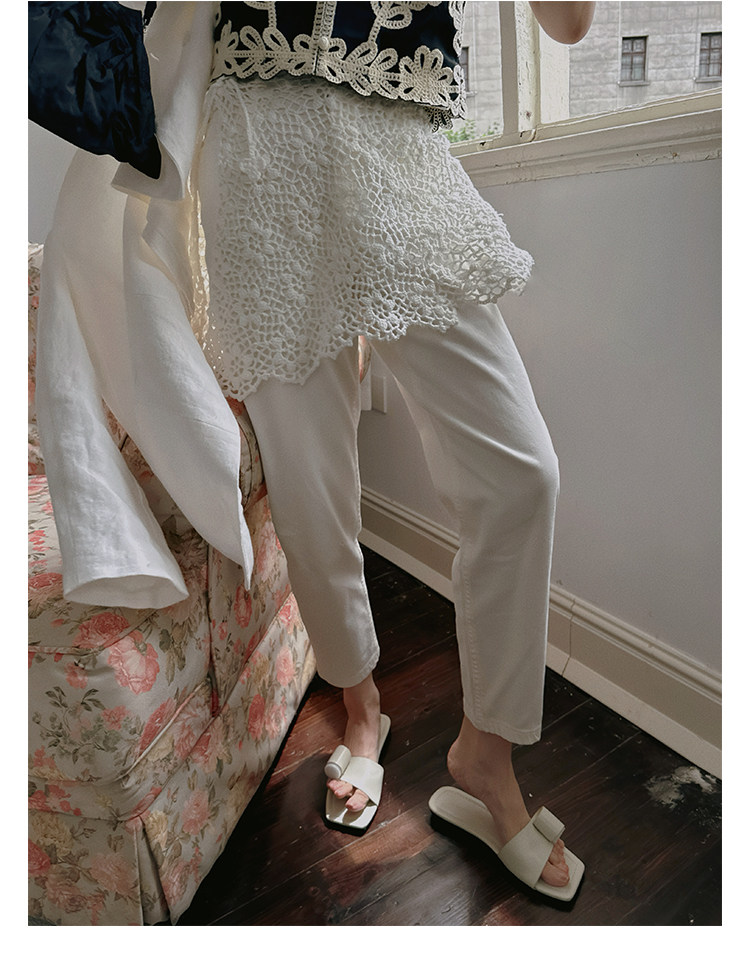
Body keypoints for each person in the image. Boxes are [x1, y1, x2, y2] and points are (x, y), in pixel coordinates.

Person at [192, 0, 595, 901]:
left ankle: (485, 754)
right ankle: (361, 706)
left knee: (521, 473)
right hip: (258, 146)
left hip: (397, 143)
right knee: (312, 492)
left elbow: (569, 25)